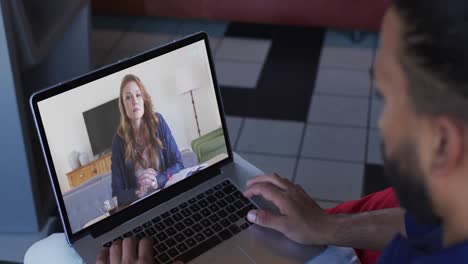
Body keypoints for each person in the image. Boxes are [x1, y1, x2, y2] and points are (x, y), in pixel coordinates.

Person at [100, 0, 468, 262]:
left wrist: (160, 177)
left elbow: (176, 163)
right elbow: (425, 226)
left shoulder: (160, 122)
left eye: (387, 99)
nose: (382, 122)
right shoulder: (453, 212)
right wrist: (328, 228)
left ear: (443, 144)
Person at [111, 74, 184, 206]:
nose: (134, 101)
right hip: (143, 206)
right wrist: (138, 192)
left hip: (169, 198)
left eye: (138, 95)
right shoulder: (118, 140)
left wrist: (158, 181)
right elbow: (116, 195)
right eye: (128, 97)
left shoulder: (158, 122)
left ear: (143, 98)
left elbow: (178, 164)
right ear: (123, 105)